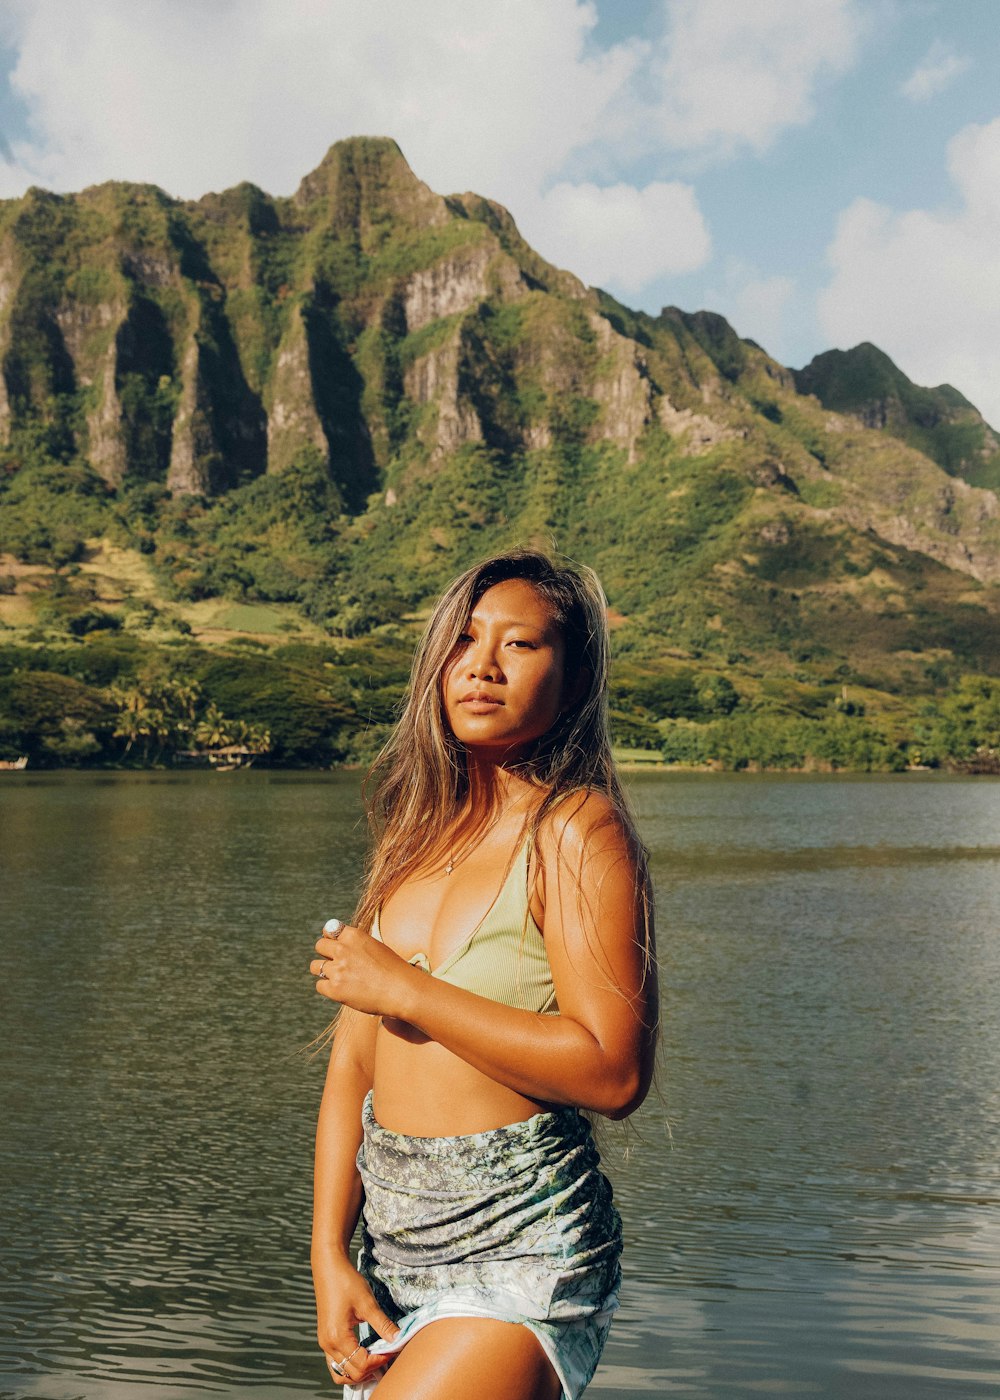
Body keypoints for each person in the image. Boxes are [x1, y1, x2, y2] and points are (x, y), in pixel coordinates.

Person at [309, 550, 657, 1400]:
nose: (482, 665)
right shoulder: (416, 840)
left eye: (520, 645)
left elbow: (613, 1072)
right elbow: (355, 1066)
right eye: (463, 640)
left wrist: (407, 989)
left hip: (522, 1250)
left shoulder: (576, 829)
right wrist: (326, 1253)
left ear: (573, 680)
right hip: (393, 1261)